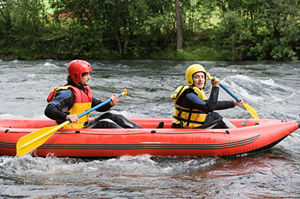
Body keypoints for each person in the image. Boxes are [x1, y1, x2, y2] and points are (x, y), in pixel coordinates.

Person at [45, 59, 143, 129]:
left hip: (83, 126)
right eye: (86, 74)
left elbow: (99, 107)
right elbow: (49, 110)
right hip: (71, 131)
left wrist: (110, 103)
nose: (89, 77)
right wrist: (66, 117)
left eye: (89, 74)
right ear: (76, 76)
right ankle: (134, 139)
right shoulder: (67, 93)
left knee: (112, 115)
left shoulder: (84, 91)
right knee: (106, 123)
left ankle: (142, 132)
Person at [170, 64, 243, 129]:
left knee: (214, 115)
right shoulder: (189, 95)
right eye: (196, 77)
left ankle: (234, 133)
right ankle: (238, 135)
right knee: (221, 122)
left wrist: (233, 103)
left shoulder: (195, 93)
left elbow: (213, 105)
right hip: (184, 129)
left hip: (190, 126)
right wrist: (215, 87)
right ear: (190, 79)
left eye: (202, 77)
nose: (200, 80)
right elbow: (209, 107)